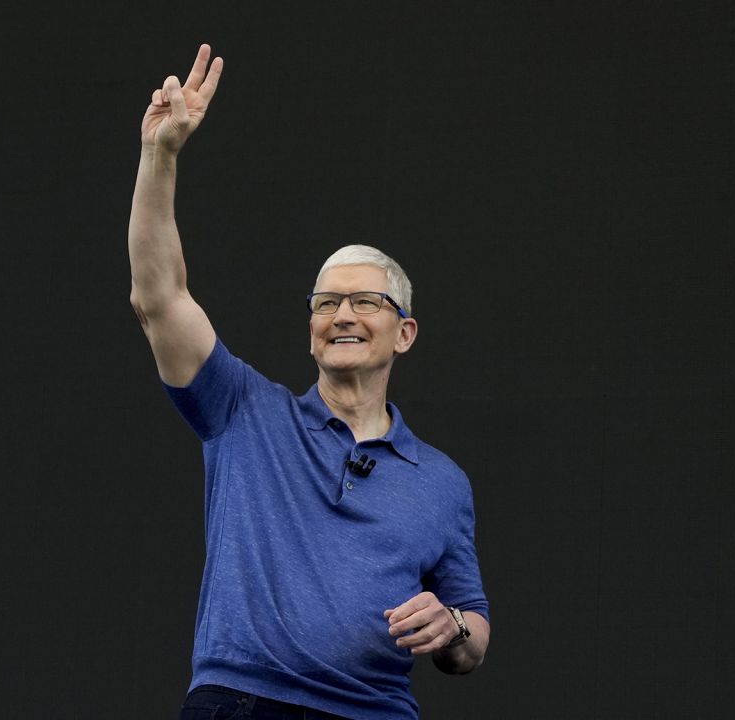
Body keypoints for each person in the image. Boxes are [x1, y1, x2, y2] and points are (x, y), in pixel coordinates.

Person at [128, 44, 491, 720]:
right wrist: (161, 156)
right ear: (311, 328)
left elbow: (472, 633)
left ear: (404, 333)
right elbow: (160, 298)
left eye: (365, 302)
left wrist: (454, 627)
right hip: (244, 703)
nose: (343, 315)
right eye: (326, 303)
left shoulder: (441, 481)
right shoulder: (243, 411)